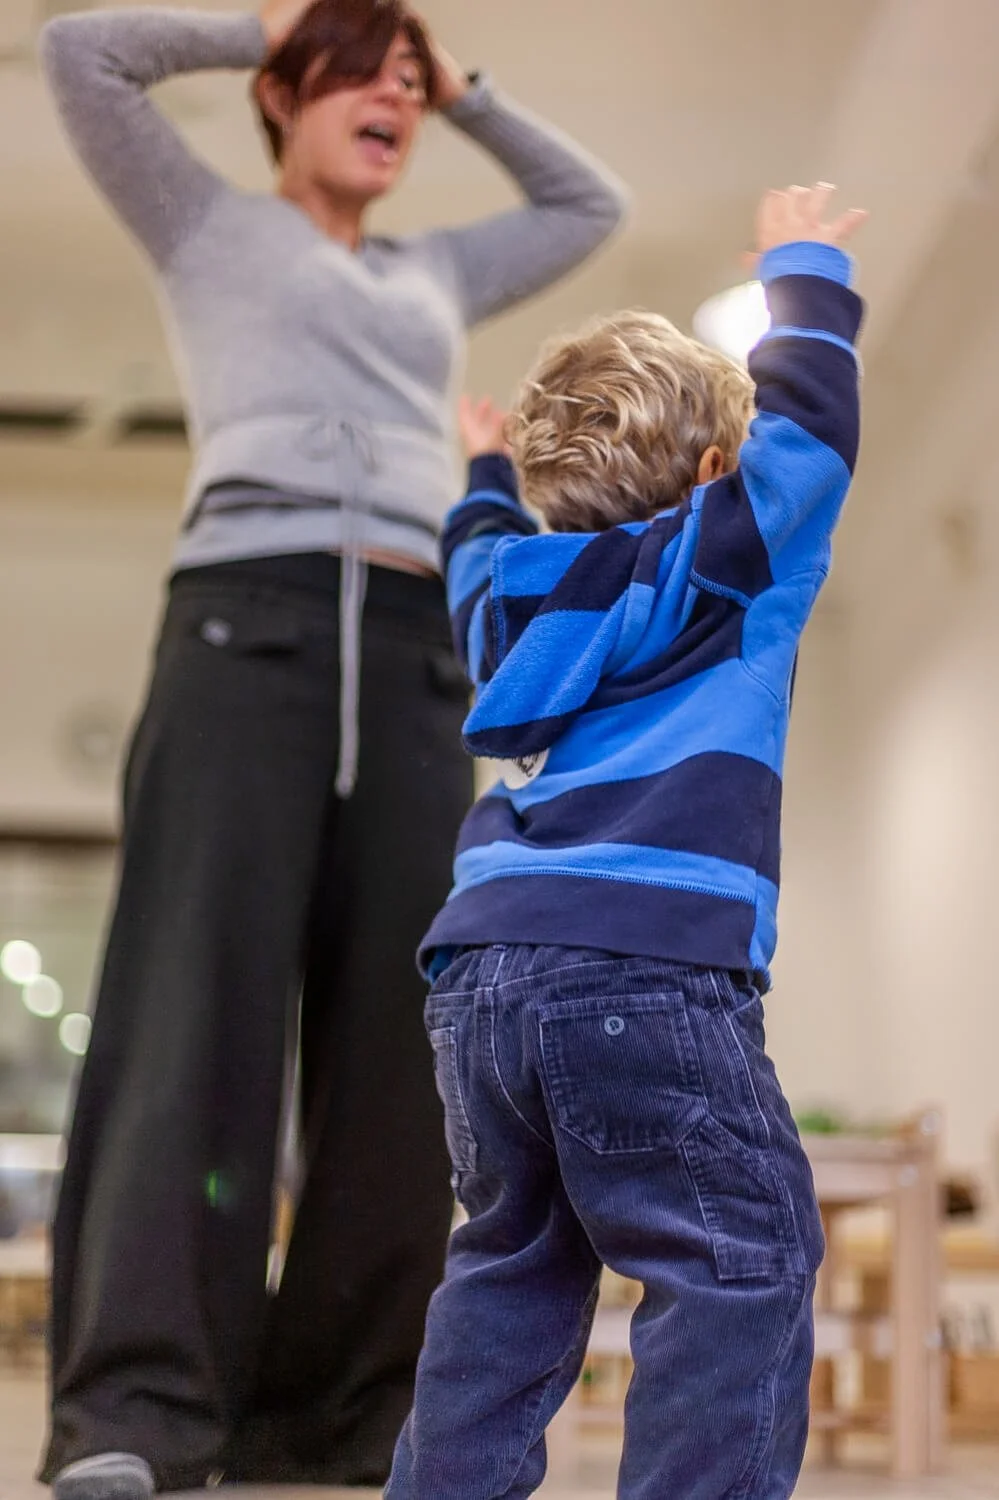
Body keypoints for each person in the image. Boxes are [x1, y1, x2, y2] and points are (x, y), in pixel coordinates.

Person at [37, 3, 627, 1496]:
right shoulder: (203, 225)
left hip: (421, 646)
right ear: (284, 96)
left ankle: (348, 1412)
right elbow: (79, 55)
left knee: (400, 1040)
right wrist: (266, 24)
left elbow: (586, 206)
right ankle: (139, 1414)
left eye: (406, 83)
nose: (392, 97)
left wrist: (466, 84)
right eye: (357, 75)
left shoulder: (435, 270)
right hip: (248, 628)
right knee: (195, 1016)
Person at [386, 183, 867, 1499]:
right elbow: (814, 432)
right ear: (717, 468)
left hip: (479, 978)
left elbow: (477, 542)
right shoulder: (729, 556)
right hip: (643, 965)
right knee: (732, 1259)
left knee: (509, 1262)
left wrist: (484, 466)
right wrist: (799, 268)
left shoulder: (508, 595)